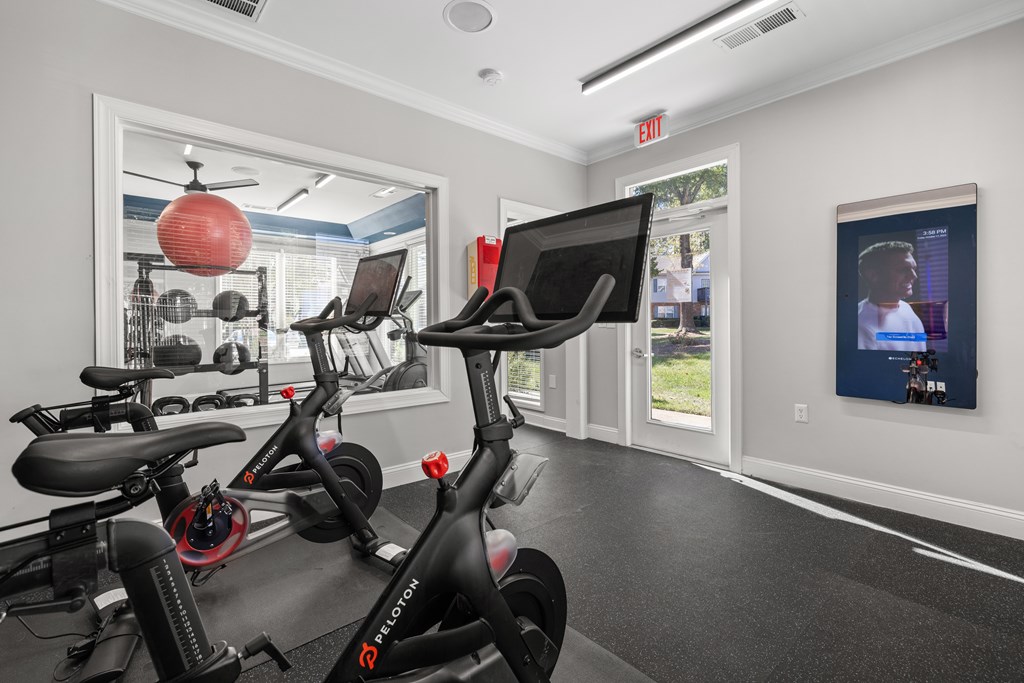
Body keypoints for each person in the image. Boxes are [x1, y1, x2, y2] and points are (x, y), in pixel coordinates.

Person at [857, 241, 927, 351]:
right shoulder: (861, 325)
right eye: (903, 270)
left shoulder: (906, 308)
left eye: (914, 269)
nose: (914, 276)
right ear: (873, 275)